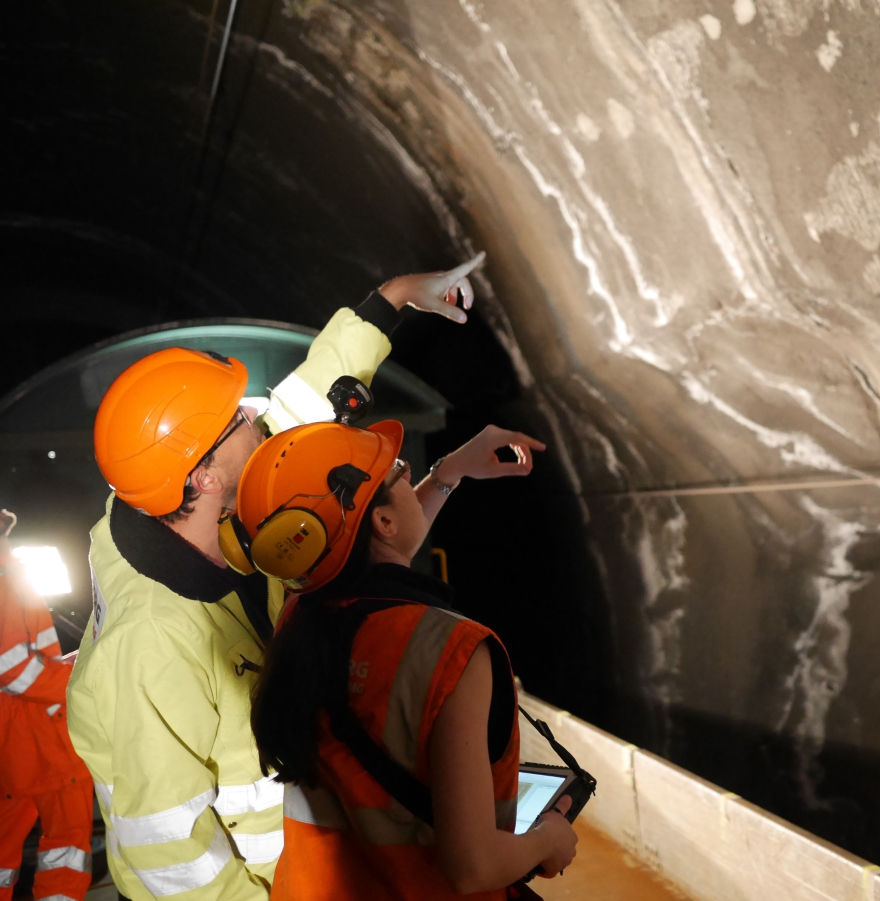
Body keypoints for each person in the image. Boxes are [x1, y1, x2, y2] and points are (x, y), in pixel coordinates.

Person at [66, 255, 486, 901]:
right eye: (237, 418)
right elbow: (168, 856)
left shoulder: (191, 505)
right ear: (203, 476)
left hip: (307, 865)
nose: (257, 416)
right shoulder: (151, 640)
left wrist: (394, 299)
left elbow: (301, 407)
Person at [232, 418, 576, 900]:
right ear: (383, 521)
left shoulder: (297, 623)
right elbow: (472, 868)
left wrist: (446, 474)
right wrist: (547, 841)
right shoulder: (454, 650)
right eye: (400, 474)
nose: (410, 478)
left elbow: (369, 551)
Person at [0, 510, 93, 901]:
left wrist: (65, 664)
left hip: (14, 742)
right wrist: (80, 680)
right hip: (43, 740)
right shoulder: (5, 576)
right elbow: (13, 668)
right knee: (67, 846)